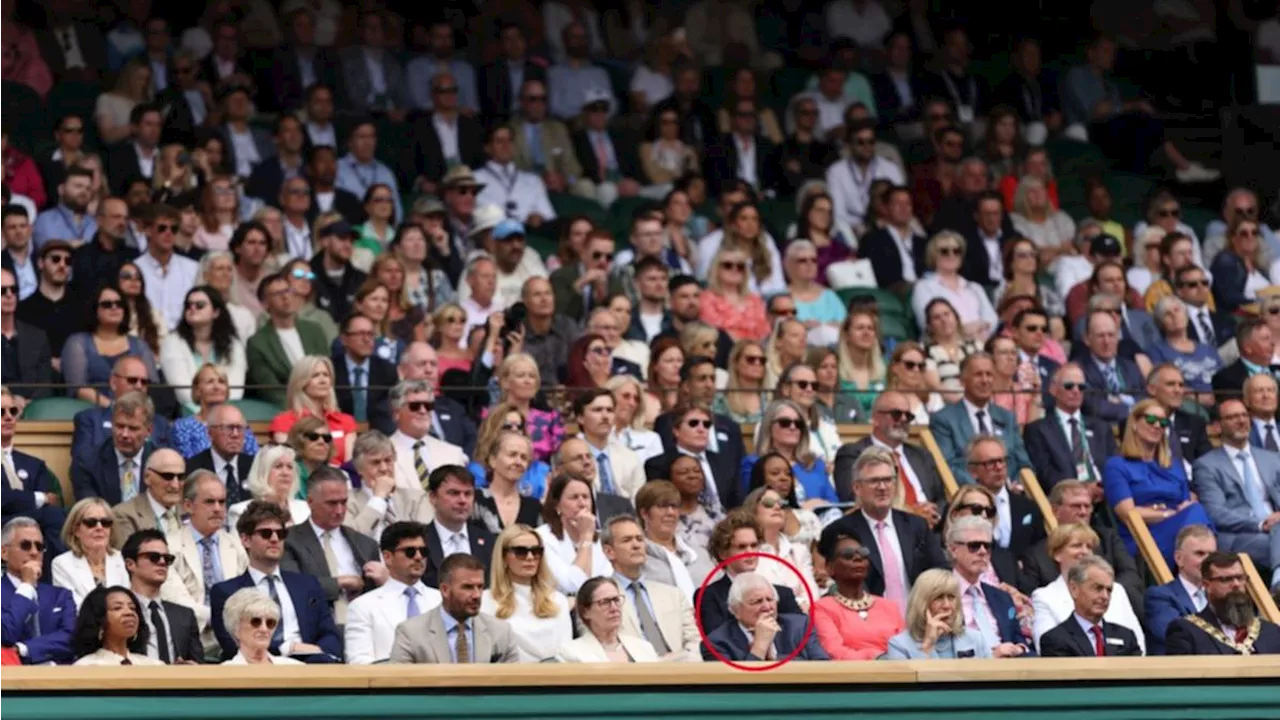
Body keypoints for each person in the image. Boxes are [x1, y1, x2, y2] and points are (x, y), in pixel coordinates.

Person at [210, 500, 342, 662]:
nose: (274, 539)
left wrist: (319, 653)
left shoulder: (307, 584)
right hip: (258, 669)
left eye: (280, 534)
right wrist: (285, 648)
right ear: (246, 540)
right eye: (266, 533)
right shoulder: (226, 591)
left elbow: (329, 634)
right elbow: (231, 643)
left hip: (312, 666)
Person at [1104, 399, 1216, 569]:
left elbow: (1185, 505)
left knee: (1197, 513)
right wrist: (1167, 514)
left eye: (1163, 422)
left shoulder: (1174, 466)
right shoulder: (1117, 465)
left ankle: (1200, 566)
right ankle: (1207, 568)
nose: (1157, 425)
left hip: (1181, 531)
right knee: (1197, 514)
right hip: (1144, 538)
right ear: (1134, 423)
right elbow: (1128, 514)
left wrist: (1173, 512)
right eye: (1150, 420)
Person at [1191, 399, 1280, 590]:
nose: (1241, 421)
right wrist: (1261, 523)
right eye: (1232, 417)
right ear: (1216, 426)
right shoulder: (1206, 465)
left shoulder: (1272, 459)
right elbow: (1216, 512)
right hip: (1240, 534)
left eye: (1243, 415)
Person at [159, 472, 248, 655]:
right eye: (209, 502)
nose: (217, 508)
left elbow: (247, 595)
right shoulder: (168, 546)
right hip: (188, 640)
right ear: (188, 506)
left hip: (235, 640)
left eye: (222, 502)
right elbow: (176, 601)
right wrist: (221, 618)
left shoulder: (236, 545)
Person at [281, 467, 383, 626]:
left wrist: (385, 580)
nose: (340, 510)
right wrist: (339, 583)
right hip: (315, 628)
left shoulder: (365, 544)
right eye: (332, 503)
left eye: (344, 502)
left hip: (365, 627)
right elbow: (292, 587)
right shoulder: (289, 540)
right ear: (310, 502)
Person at [1030, 522, 1145, 653]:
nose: (1084, 552)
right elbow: (1044, 645)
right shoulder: (1044, 596)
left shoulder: (1117, 590)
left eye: (1089, 547)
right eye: (1076, 545)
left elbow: (1138, 641)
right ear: (1057, 554)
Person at [390, 552, 519, 664]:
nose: (477, 595)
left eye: (480, 587)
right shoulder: (411, 633)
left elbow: (516, 685)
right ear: (445, 590)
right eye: (467, 587)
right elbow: (397, 685)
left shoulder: (501, 632)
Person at [601, 515, 700, 660]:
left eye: (640, 539)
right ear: (610, 552)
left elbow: (695, 640)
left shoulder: (673, 594)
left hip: (682, 671)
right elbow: (602, 647)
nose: (636, 545)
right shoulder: (598, 599)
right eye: (627, 540)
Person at [344, 521, 443, 664]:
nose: (418, 557)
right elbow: (359, 662)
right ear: (387, 557)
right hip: (387, 683)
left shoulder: (442, 600)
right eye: (410, 551)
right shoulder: (362, 607)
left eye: (423, 551)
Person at [929, 353, 1034, 485]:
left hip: (1009, 494)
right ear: (963, 380)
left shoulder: (1007, 417)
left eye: (989, 375)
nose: (985, 380)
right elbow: (947, 466)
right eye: (978, 374)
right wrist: (984, 489)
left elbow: (1023, 463)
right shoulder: (944, 419)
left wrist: (1015, 485)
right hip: (969, 495)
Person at [478, 523, 571, 662]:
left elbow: (566, 652)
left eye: (536, 551)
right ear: (503, 557)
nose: (530, 557)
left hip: (553, 678)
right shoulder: (485, 601)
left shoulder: (558, 600)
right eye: (520, 551)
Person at [697, 513, 804, 633]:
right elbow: (718, 642)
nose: (750, 552)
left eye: (754, 545)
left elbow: (803, 634)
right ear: (723, 553)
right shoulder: (709, 597)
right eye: (741, 547)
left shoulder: (783, 594)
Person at [946, 516, 1032, 657]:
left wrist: (1019, 649)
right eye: (974, 546)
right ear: (954, 550)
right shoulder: (938, 594)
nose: (982, 552)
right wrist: (989, 656)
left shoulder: (1002, 597)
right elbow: (940, 649)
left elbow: (1018, 638)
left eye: (987, 546)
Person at [1023, 363, 1118, 489]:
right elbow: (1045, 473)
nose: (1076, 391)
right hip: (1066, 499)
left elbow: (1114, 466)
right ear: (1053, 389)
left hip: (1105, 495)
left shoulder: (1101, 427)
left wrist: (1103, 488)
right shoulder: (1038, 430)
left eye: (1081, 387)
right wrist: (1081, 490)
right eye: (1069, 386)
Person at [813, 528, 903, 659]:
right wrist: (877, 658)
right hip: (853, 676)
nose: (858, 558)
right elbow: (835, 651)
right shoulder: (822, 608)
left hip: (897, 673)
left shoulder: (889, 606)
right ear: (830, 567)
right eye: (848, 555)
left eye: (863, 554)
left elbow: (906, 646)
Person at [1165, 552, 1280, 655]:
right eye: (1226, 579)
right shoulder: (1186, 631)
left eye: (1240, 578)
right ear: (1207, 585)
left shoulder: (1271, 632)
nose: (1236, 584)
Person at [702, 570, 829, 662]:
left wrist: (774, 658)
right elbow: (734, 687)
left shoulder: (800, 626)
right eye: (757, 602)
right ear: (736, 610)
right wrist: (759, 648)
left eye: (770, 599)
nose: (767, 607)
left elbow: (822, 666)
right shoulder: (716, 643)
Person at [246, 271, 331, 407]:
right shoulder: (257, 343)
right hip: (288, 409)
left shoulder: (314, 330)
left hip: (323, 404)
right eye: (277, 294)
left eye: (288, 290)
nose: (285, 297)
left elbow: (328, 372)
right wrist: (299, 408)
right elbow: (270, 389)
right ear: (265, 304)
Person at [0, 517, 77, 664]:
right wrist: (27, 586)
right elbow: (5, 633)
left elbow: (72, 638)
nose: (34, 552)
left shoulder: (61, 595)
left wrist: (23, 648)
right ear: (3, 552)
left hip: (59, 679)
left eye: (39, 546)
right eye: (25, 545)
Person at [121, 529, 202, 664]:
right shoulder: (117, 612)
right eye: (154, 557)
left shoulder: (185, 615)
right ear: (130, 564)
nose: (162, 562)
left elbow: (200, 667)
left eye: (167, 558)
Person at [1037, 555, 1144, 657]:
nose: (1105, 596)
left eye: (1109, 590)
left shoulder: (1126, 636)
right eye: (1097, 588)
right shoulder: (1055, 639)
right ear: (1074, 589)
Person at [70, 392, 159, 507]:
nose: (124, 434)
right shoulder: (87, 462)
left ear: (149, 430)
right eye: (120, 426)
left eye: (133, 428)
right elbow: (91, 511)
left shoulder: (161, 463)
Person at [964, 435, 1046, 559]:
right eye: (991, 463)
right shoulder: (963, 508)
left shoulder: (1027, 507)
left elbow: (1040, 548)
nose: (999, 467)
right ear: (973, 471)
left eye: (1002, 461)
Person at [883, 568, 992, 660]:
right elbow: (910, 684)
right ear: (922, 603)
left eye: (951, 597)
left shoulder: (976, 638)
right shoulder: (899, 645)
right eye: (939, 598)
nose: (947, 605)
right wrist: (928, 645)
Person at [268, 355, 358, 464]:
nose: (323, 380)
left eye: (326, 375)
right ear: (301, 382)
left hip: (340, 477)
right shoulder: (284, 421)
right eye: (315, 375)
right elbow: (289, 462)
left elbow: (350, 465)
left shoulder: (346, 421)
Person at [910, 231, 997, 343]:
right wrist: (968, 330)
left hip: (981, 344)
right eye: (944, 251)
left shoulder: (974, 287)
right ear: (933, 255)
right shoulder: (924, 287)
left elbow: (992, 320)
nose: (951, 255)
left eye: (957, 251)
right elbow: (928, 324)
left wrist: (979, 333)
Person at [1145, 525, 1217, 655]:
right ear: (1179, 558)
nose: (1207, 561)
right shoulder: (1158, 597)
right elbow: (1178, 637)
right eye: (1199, 554)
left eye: (1211, 555)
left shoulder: (1218, 597)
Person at [634, 480, 714, 597]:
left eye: (674, 506)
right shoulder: (636, 558)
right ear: (644, 513)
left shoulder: (700, 553)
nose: (671, 512)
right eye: (662, 506)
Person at [535, 474, 610, 595]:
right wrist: (586, 536)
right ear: (557, 505)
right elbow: (573, 585)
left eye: (586, 497)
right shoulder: (541, 537)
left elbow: (608, 581)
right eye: (574, 497)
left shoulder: (604, 538)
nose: (582, 503)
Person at [422, 466, 496, 589]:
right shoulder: (420, 541)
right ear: (433, 497)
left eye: (468, 494)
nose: (462, 500)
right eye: (454, 493)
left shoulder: (489, 541)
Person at [108, 449, 185, 549]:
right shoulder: (124, 515)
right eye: (167, 476)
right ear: (147, 477)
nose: (175, 485)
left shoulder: (192, 511)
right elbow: (129, 560)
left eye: (181, 477)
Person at [228, 444, 311, 532]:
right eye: (278, 466)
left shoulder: (306, 509)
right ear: (262, 473)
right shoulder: (240, 512)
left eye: (290, 467)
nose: (285, 473)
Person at [71, 585, 161, 665]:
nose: (129, 612)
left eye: (132, 608)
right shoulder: (85, 667)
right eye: (117, 608)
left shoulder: (153, 665)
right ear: (98, 619)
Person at [218, 587, 303, 665]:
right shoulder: (224, 672)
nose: (264, 629)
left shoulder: (296, 667)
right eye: (256, 622)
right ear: (236, 629)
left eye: (270, 623)